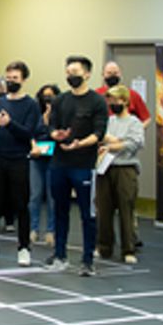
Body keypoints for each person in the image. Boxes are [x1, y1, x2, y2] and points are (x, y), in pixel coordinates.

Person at [46, 56, 108, 276]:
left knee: (87, 213)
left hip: (84, 164)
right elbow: (52, 125)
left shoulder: (97, 102)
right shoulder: (60, 100)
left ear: (87, 74)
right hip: (59, 163)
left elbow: (98, 133)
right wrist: (56, 135)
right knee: (59, 209)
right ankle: (60, 254)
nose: (71, 75)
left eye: (76, 71)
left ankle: (88, 259)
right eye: (68, 71)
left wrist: (79, 144)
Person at [0, 61, 40, 265]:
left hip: (19, 159)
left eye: (15, 78)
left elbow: (29, 133)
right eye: (8, 78)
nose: (11, 81)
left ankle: (23, 248)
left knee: (21, 204)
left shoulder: (31, 105)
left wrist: (10, 123)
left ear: (23, 80)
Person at [95, 85, 145, 264]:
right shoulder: (108, 121)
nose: (113, 103)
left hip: (126, 168)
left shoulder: (134, 122)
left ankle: (128, 249)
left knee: (126, 209)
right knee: (104, 209)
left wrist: (112, 144)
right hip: (105, 168)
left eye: (116, 100)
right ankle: (104, 247)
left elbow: (134, 143)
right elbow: (100, 137)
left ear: (124, 101)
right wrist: (113, 142)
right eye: (110, 100)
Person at [28, 83, 59, 249]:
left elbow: (57, 135)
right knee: (35, 195)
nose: (47, 98)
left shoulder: (59, 114)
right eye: (44, 95)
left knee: (52, 196)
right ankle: (33, 229)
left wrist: (49, 121)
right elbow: (30, 132)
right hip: (36, 156)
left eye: (51, 95)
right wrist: (33, 146)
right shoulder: (34, 113)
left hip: (54, 158)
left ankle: (51, 231)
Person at [97, 61, 152, 125]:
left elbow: (146, 119)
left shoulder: (132, 94)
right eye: (109, 73)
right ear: (103, 74)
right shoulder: (96, 95)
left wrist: (137, 130)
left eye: (115, 73)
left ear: (120, 74)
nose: (112, 75)